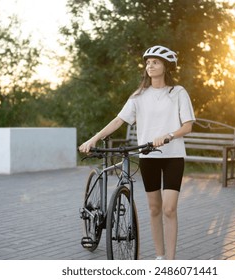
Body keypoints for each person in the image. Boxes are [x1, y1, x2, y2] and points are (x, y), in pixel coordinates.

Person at [79, 45, 195, 260]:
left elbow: (188, 126)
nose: (150, 65)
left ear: (166, 66)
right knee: (154, 209)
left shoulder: (177, 92)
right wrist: (93, 138)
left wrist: (169, 135)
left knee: (169, 209)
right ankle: (159, 257)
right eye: (148, 62)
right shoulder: (139, 96)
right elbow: (118, 120)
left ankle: (170, 261)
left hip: (173, 157)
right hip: (148, 157)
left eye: (155, 62)